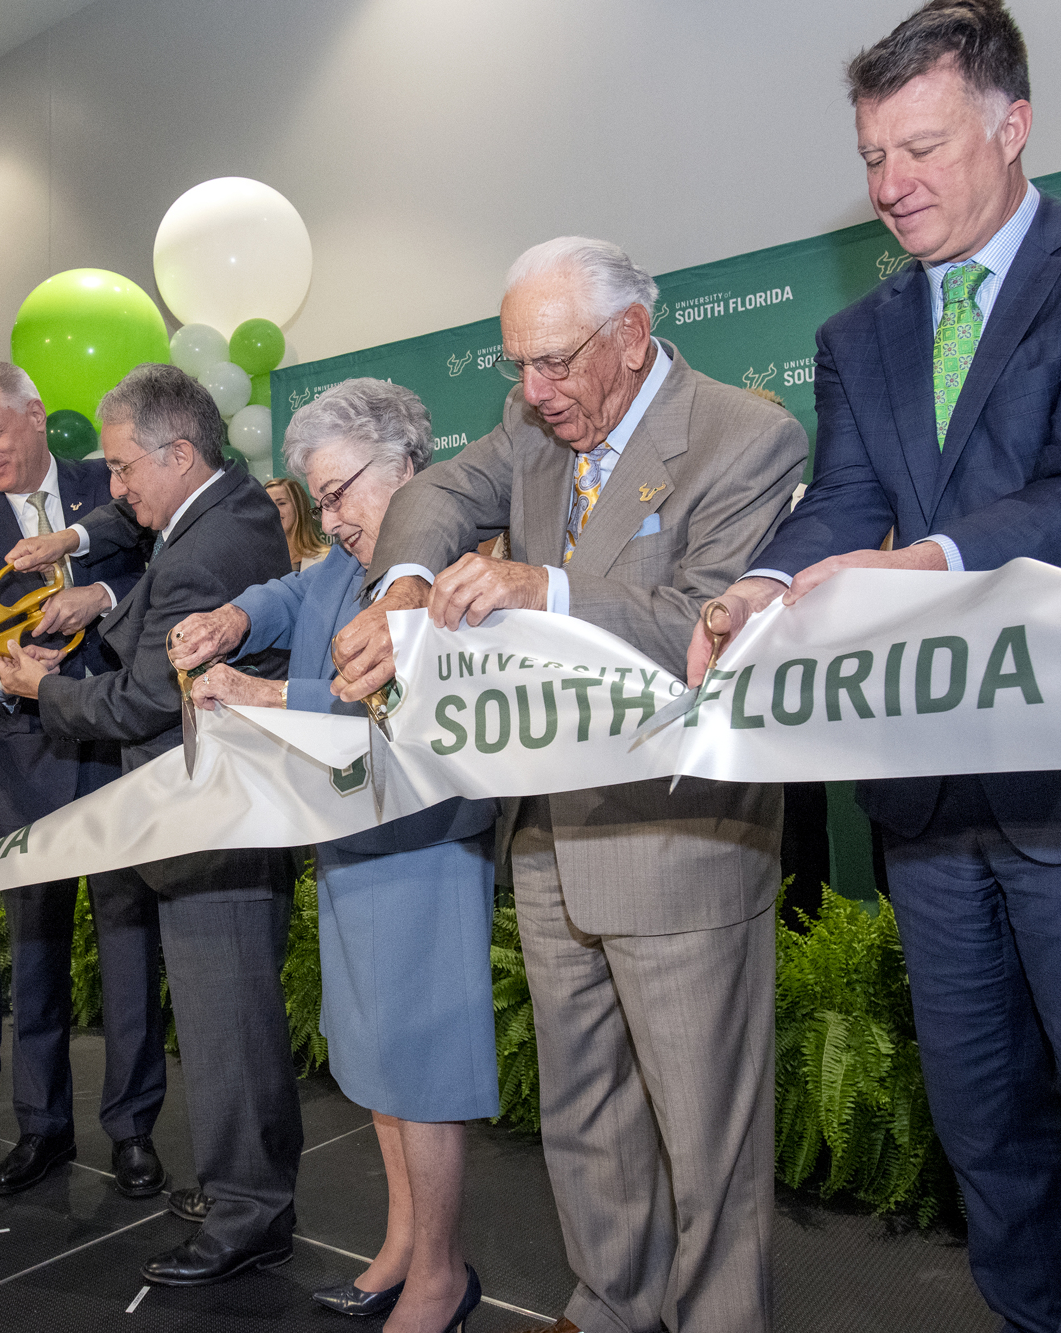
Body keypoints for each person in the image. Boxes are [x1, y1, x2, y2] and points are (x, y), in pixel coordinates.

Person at [689, 4, 1061, 1326]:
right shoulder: (857, 336)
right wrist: (764, 585)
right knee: (988, 1138)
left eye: (921, 147)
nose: (893, 186)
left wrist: (921, 561)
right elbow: (839, 505)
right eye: (875, 157)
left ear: (1015, 125)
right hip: (931, 805)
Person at [331, 235, 807, 1333]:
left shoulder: (744, 436)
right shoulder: (532, 427)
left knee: (706, 1142)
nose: (533, 393)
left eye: (553, 363)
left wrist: (539, 584)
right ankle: (606, 1306)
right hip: (547, 834)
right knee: (584, 1114)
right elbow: (442, 490)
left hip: (677, 839)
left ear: (630, 337)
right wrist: (404, 581)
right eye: (518, 367)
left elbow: (704, 619)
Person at [170, 379, 499, 1331]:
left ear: (409, 467)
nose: (334, 516)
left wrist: (269, 699)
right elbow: (285, 590)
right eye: (319, 498)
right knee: (377, 1060)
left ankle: (441, 1273)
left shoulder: (451, 572)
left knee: (422, 1070)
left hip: (423, 843)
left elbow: (409, 716)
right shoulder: (342, 565)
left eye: (344, 491)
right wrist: (232, 620)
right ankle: (402, 1243)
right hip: (353, 837)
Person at [0, 363, 303, 1288]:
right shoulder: (219, 514)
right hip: (209, 821)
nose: (116, 487)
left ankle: (250, 1213)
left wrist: (40, 686)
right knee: (222, 1026)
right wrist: (104, 602)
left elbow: (136, 704)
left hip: (215, 829)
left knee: (230, 1028)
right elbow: (152, 624)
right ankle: (240, 1188)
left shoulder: (209, 543)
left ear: (179, 453)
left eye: (126, 469)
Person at [0, 361, 167, 1197]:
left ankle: (133, 1129)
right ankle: (41, 1127)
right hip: (23, 764)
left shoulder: (113, 482)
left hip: (113, 750)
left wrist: (97, 591)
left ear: (35, 416)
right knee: (33, 954)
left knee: (127, 945)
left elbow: (157, 575)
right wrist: (4, 676)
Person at [265, 475, 331, 569]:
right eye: (269, 505)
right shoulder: (258, 560)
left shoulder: (326, 558)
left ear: (299, 507)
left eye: (281, 503)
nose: (274, 510)